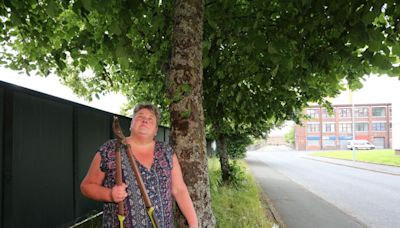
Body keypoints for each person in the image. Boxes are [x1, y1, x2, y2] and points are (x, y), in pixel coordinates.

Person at [80, 103, 198, 228]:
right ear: (131, 124)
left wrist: (194, 224)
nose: (145, 121)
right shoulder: (111, 149)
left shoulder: (166, 152)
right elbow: (86, 186)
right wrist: (109, 194)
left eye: (150, 119)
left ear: (156, 130)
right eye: (140, 116)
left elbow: (179, 190)